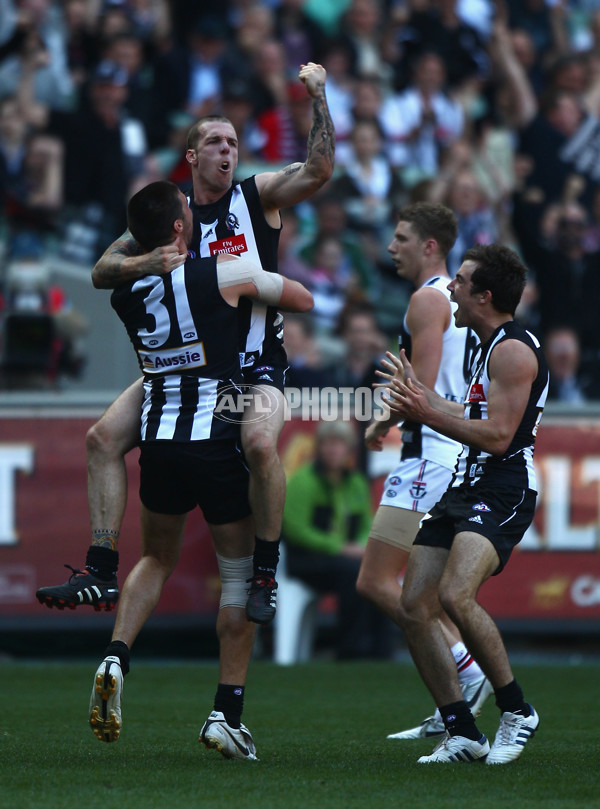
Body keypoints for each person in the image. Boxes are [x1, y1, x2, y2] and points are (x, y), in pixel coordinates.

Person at [36, 61, 335, 625]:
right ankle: (101, 566)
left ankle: (266, 573)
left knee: (263, 446)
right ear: (192, 157)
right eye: (215, 142)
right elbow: (103, 270)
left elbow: (319, 169)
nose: (228, 150)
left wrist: (318, 96)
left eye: (234, 142)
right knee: (101, 437)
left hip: (253, 365)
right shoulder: (171, 216)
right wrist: (150, 260)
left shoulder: (257, 197)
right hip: (185, 369)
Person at [88, 180, 313, 758]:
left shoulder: (127, 289)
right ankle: (225, 714)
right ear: (182, 228)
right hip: (214, 438)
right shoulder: (223, 271)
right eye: (186, 208)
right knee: (239, 580)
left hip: (157, 442)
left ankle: (115, 655)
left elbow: (109, 268)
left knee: (155, 558)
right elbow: (302, 298)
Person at [383, 243, 548, 764]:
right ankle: (462, 730)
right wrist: (420, 397)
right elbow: (473, 410)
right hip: (467, 486)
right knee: (414, 605)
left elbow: (500, 437)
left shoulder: (513, 350)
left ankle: (517, 710)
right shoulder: (486, 343)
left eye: (460, 280)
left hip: (502, 488)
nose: (450, 286)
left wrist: (426, 415)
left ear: (485, 295)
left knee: (455, 595)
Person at [356, 202, 490, 740]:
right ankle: (455, 696)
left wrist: (380, 420)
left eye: (402, 237)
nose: (393, 246)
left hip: (430, 456)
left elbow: (420, 389)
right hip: (447, 453)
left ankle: (464, 666)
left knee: (374, 580)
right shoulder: (447, 302)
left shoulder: (425, 300)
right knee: (425, 594)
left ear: (429, 245)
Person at [282, 420, 392, 661]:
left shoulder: (356, 483)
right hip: (305, 560)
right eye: (328, 444)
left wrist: (362, 547)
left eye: (339, 444)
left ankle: (382, 652)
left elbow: (366, 524)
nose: (333, 450)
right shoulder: (303, 481)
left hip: (346, 560)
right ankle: (350, 651)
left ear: (348, 449)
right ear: (318, 447)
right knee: (354, 572)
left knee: (378, 573)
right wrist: (340, 548)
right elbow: (296, 529)